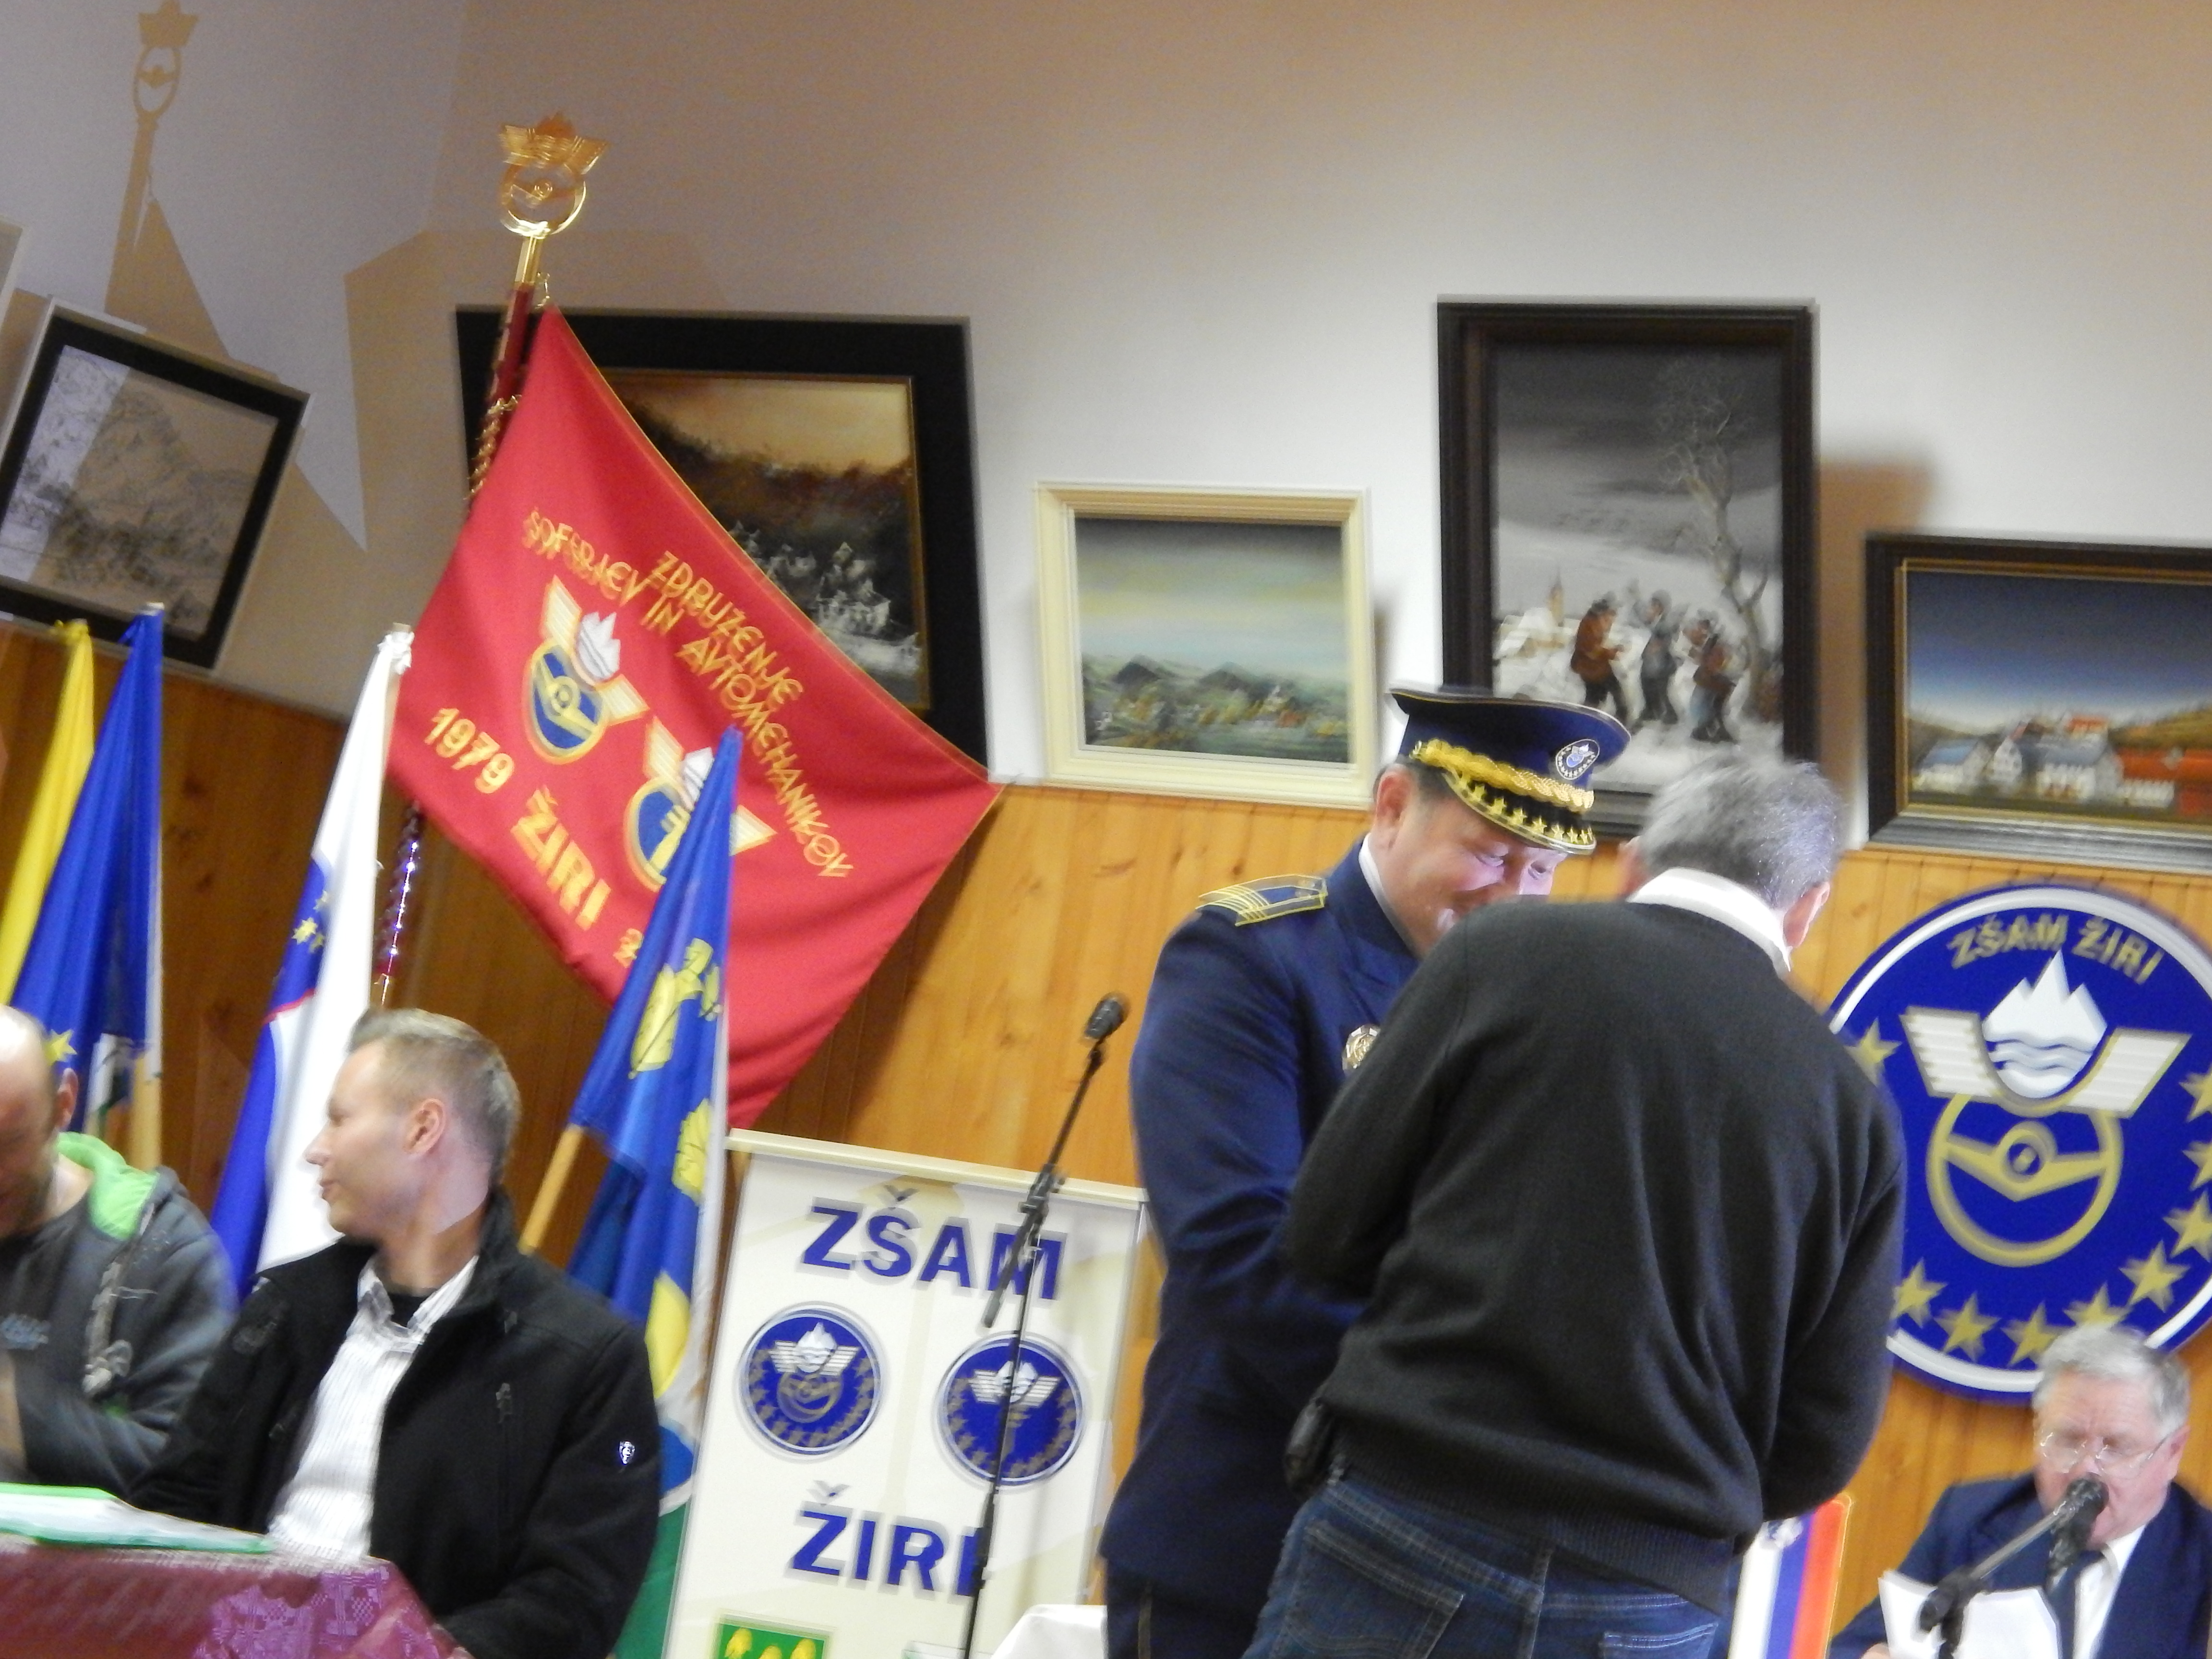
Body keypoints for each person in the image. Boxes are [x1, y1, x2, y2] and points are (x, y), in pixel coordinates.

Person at [1248, 754, 1902, 1659]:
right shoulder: (1851, 1107)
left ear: (1633, 864)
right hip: (1649, 1596)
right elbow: (1823, 1438)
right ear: (1808, 907)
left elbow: (1326, 1231)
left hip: (1410, 1516)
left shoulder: (1499, 954)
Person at [1098, 687, 1629, 1659]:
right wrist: (1460, 1418)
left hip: (1441, 1565)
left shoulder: (1540, 1005)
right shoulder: (1253, 957)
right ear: (1391, 806)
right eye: (1489, 855)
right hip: (1244, 1525)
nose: (1512, 896)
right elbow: (1233, 1248)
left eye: (1542, 870)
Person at [135, 1010, 658, 1659]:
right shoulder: (283, 1309)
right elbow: (172, 1508)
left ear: (422, 1129)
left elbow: (577, 1598)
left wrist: (416, 1651)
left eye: (339, 1119)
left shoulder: (587, 1358)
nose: (315, 1150)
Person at [1830, 1325, 2212, 1659]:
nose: (2085, 1469)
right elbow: (1849, 1648)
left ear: (2172, 1453)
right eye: (2067, 1439)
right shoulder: (1972, 1520)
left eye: (2116, 1447)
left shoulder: (2202, 1560)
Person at [0, 1005, 229, 1491]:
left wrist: (25, 1423)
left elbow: (191, 1472)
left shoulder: (163, 1250)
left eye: (9, 1143)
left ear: (63, 1107)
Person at [1571, 596, 1630, 720]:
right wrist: (1612, 653)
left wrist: (1613, 650)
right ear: (1605, 612)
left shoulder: (1595, 622)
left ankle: (1587, 718)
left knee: (1597, 696)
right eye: (1612, 613)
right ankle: (1621, 718)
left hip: (1594, 667)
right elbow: (1591, 650)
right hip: (1591, 668)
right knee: (1611, 691)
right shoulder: (1591, 624)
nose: (1614, 618)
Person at [1636, 591, 1679, 730]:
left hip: (1661, 665)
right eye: (1652, 605)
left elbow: (1666, 640)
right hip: (1652, 663)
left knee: (1661, 691)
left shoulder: (1665, 624)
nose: (1652, 608)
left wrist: (1657, 647)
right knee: (1647, 685)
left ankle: (1669, 715)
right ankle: (1651, 710)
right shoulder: (1656, 621)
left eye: (1656, 605)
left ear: (1662, 608)